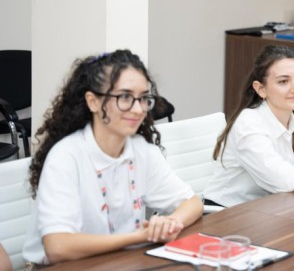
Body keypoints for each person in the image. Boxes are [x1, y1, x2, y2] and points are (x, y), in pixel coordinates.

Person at [23, 50, 203, 266]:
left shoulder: (142, 151)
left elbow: (192, 203)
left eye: (143, 98)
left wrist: (170, 223)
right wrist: (140, 236)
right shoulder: (66, 157)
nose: (138, 109)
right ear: (93, 102)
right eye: (125, 97)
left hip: (122, 262)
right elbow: (58, 247)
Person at [205, 45, 294, 207]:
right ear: (261, 89)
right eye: (283, 81)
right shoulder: (248, 124)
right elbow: (283, 182)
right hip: (227, 211)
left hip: (271, 206)